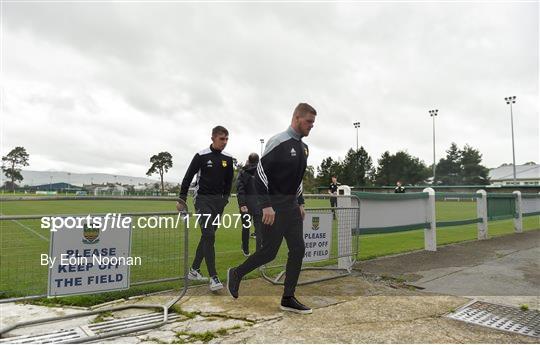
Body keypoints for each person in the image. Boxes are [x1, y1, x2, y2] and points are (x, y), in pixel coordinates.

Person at [227, 103, 316, 314]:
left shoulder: (304, 148)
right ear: (296, 118)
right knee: (269, 253)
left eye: (313, 123)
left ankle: (288, 298)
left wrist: (300, 202)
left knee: (298, 249)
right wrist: (266, 206)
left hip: (292, 208)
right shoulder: (278, 142)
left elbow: (297, 179)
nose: (312, 126)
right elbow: (260, 175)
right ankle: (237, 273)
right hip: (273, 209)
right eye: (309, 122)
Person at [176, 126, 234, 291]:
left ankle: (194, 270)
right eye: (222, 139)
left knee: (208, 236)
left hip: (218, 203)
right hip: (202, 201)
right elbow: (187, 177)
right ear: (213, 138)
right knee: (209, 235)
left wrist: (225, 199)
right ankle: (213, 277)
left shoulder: (228, 159)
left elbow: (229, 181)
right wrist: (182, 199)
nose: (225, 142)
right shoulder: (201, 156)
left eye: (227, 139)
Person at [236, 153, 263, 256]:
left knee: (246, 227)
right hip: (259, 204)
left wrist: (242, 203)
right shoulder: (261, 171)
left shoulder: (243, 172)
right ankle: (259, 253)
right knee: (259, 229)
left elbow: (240, 189)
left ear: (248, 160)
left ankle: (246, 250)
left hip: (246, 205)